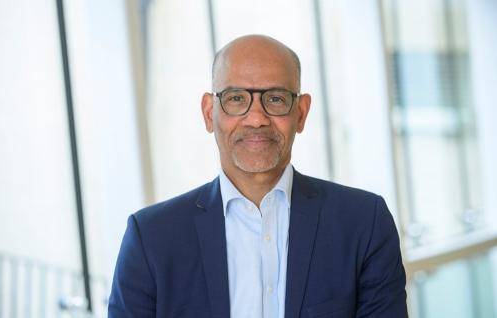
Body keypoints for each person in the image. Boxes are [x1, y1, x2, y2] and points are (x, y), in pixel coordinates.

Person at [108, 34, 407, 318]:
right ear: (209, 112)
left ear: (300, 113)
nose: (256, 118)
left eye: (275, 99)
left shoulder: (364, 223)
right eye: (236, 99)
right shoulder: (150, 238)